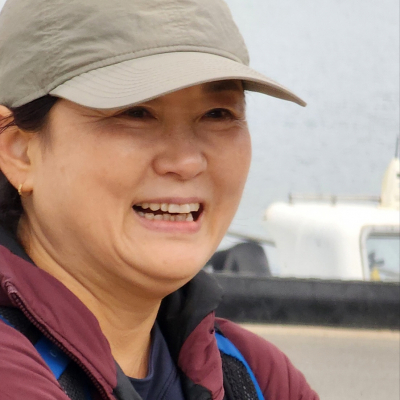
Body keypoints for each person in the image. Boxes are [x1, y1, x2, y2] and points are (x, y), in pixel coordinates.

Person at [0, 0, 318, 399]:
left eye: (218, 114)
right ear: (20, 152)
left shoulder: (253, 375)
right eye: (136, 113)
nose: (186, 162)